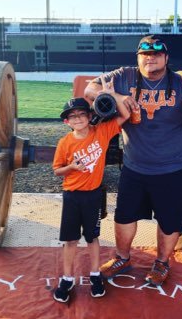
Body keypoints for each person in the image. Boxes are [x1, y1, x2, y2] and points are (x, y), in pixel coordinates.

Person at [84, 34, 182, 287]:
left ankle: (161, 263)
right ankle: (122, 258)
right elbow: (89, 89)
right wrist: (119, 98)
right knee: (124, 217)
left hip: (174, 167)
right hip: (135, 165)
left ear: (166, 58)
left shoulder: (180, 83)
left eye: (156, 54)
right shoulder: (123, 76)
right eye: (145, 54)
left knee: (169, 219)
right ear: (138, 58)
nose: (150, 58)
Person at [52, 78, 130, 303]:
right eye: (72, 116)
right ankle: (67, 278)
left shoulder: (102, 132)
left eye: (82, 115)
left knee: (92, 237)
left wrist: (112, 95)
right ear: (67, 121)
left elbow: (123, 116)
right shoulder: (65, 143)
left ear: (89, 116)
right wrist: (72, 167)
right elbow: (57, 170)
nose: (78, 119)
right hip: (72, 196)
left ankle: (95, 274)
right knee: (70, 240)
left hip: (93, 195)